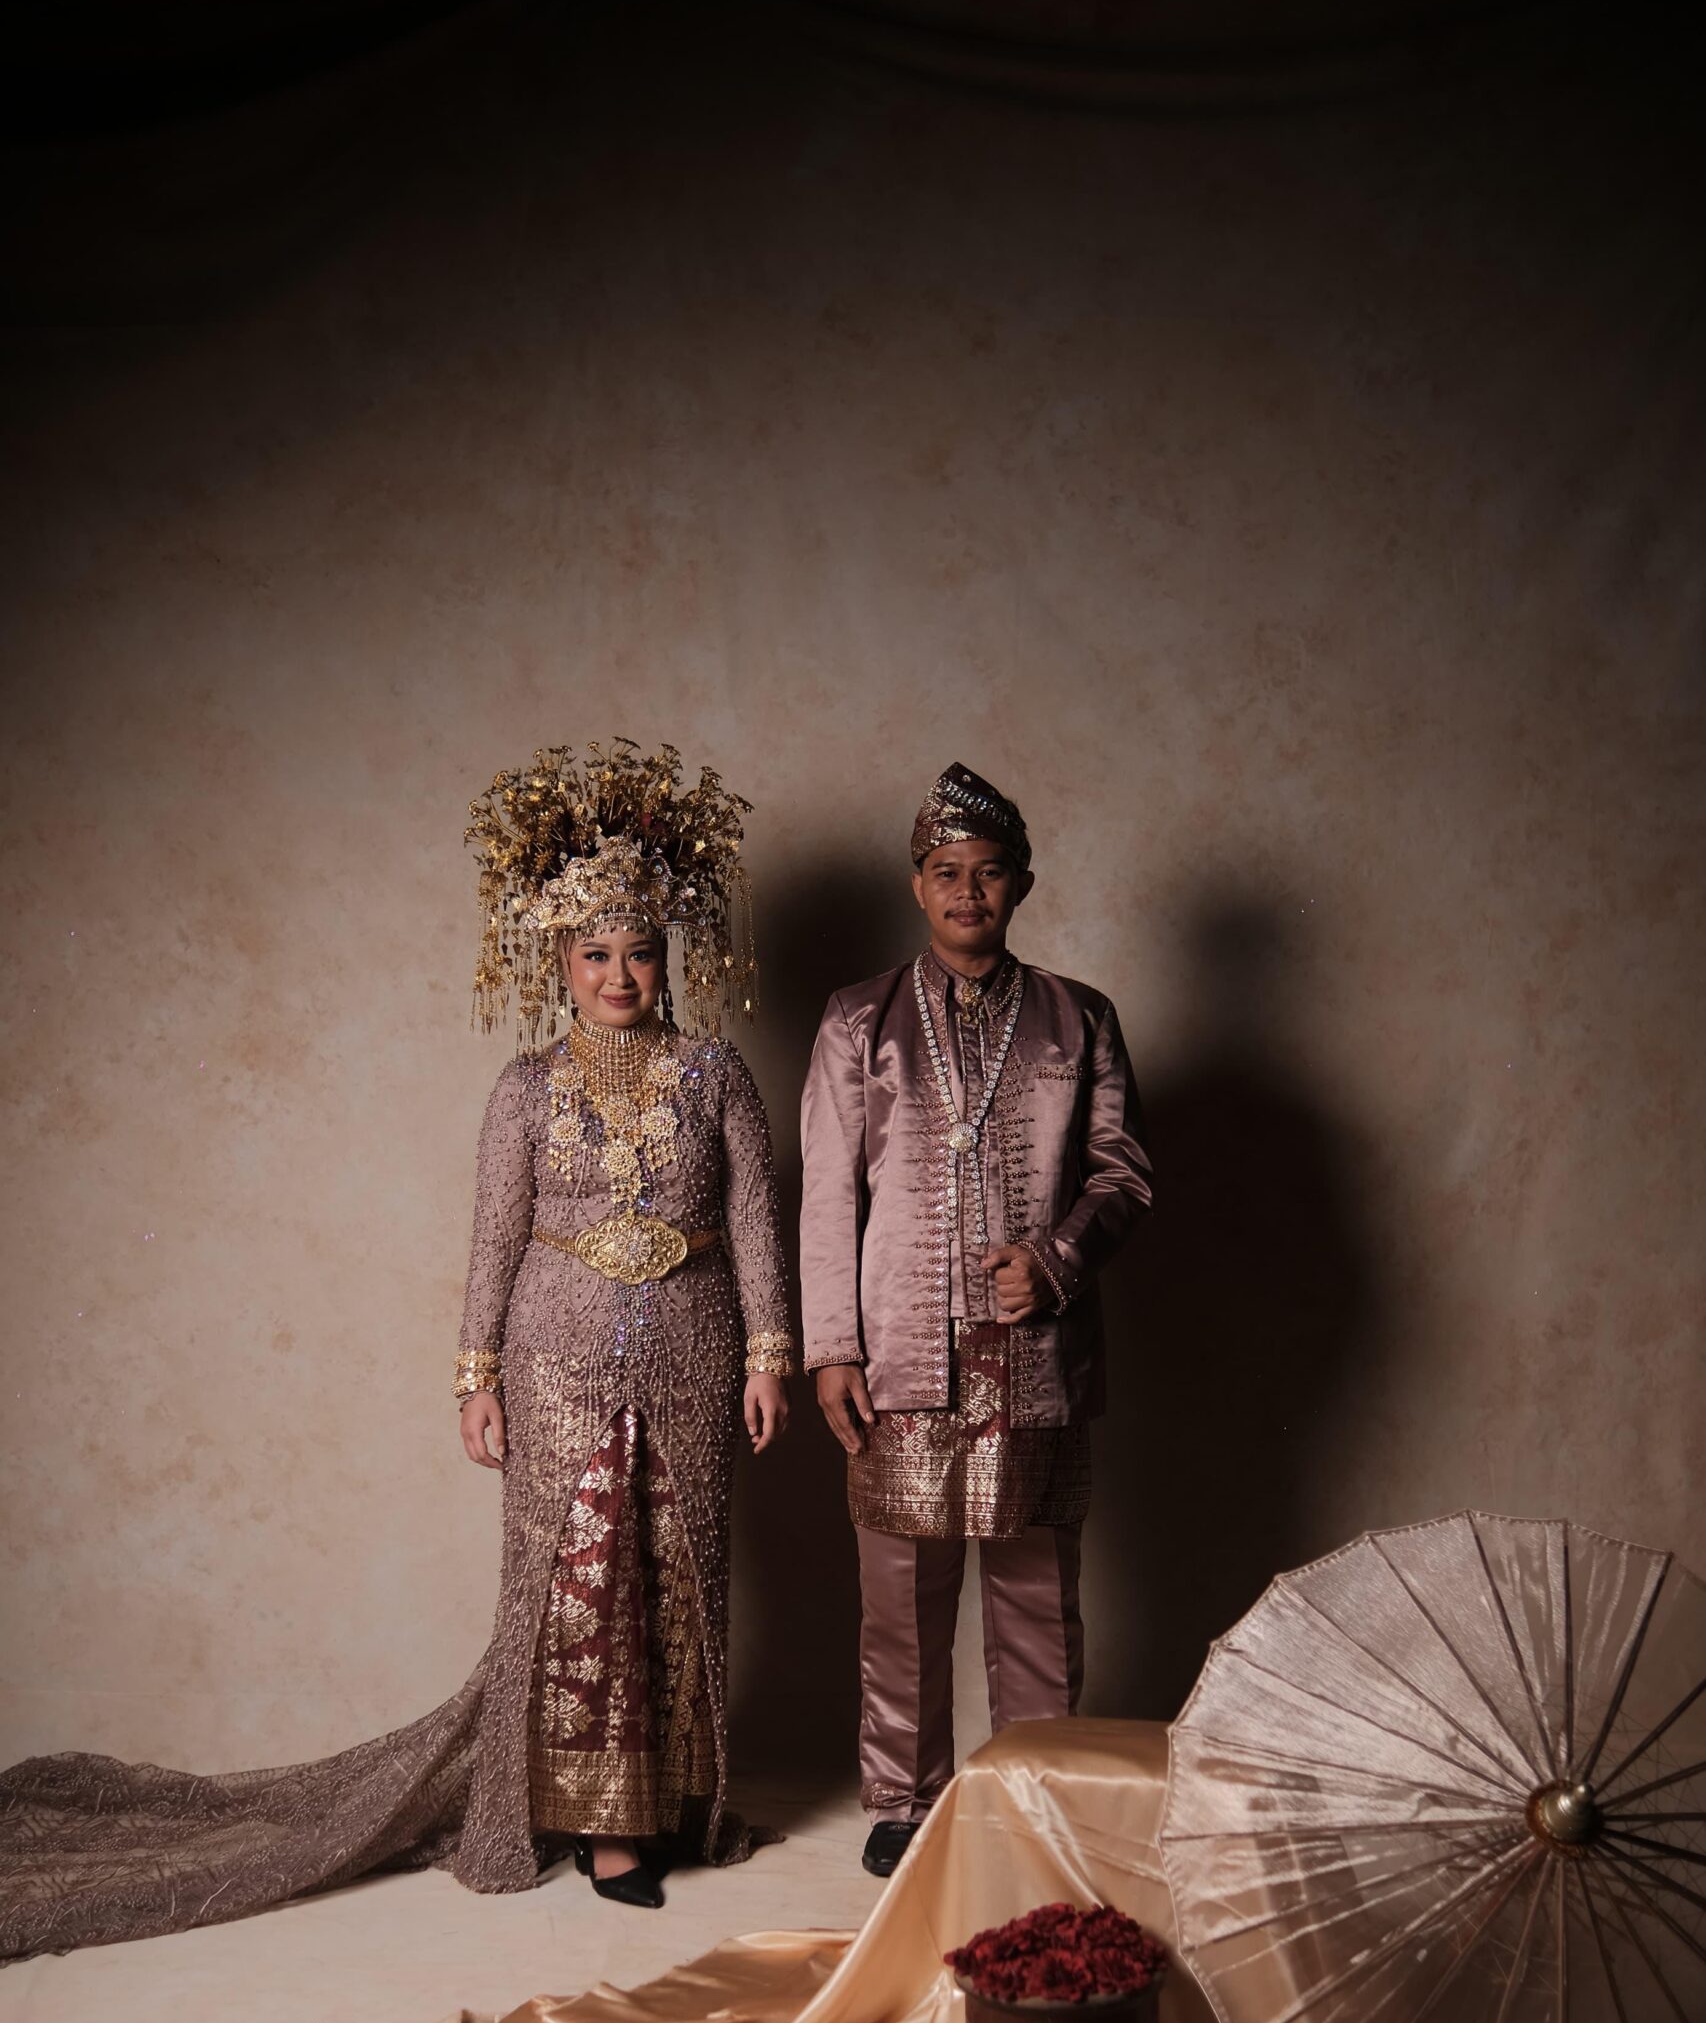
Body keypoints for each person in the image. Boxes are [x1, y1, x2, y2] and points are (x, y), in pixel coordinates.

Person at [0, 739, 792, 1954]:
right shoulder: (522, 1089)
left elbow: (754, 1220)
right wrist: (475, 1378)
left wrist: (769, 1353)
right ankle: (600, 1823)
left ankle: (675, 1798)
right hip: (555, 1357)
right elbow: (492, 1242)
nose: (618, 974)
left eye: (637, 950)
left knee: (681, 1574)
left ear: (667, 953)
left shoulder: (716, 1073)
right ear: (558, 962)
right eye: (593, 953)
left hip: (693, 1343)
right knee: (577, 1580)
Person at [800, 763, 1151, 1878]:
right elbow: (826, 1192)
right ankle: (905, 1801)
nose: (967, 892)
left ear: (1022, 885)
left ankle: (1035, 1797)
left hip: (1034, 1356)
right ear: (917, 886)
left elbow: (1123, 1175)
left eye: (989, 873)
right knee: (899, 1597)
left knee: (1036, 1593)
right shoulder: (858, 1018)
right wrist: (831, 1347)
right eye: (946, 873)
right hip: (898, 1352)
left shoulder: (1077, 1017)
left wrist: (1054, 1263)